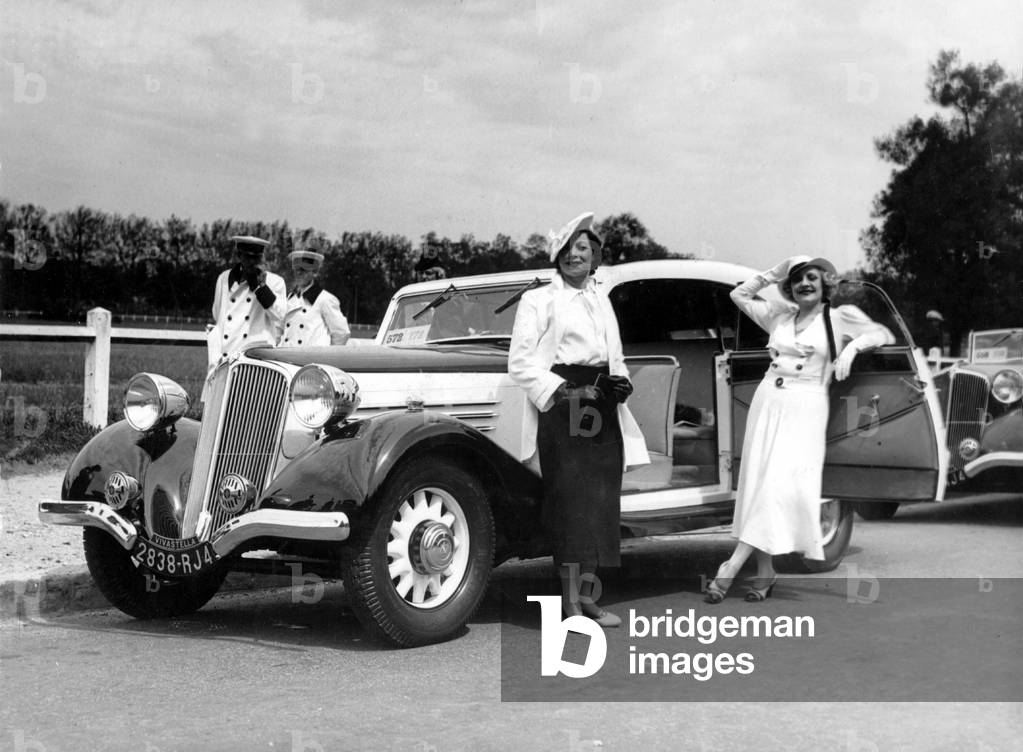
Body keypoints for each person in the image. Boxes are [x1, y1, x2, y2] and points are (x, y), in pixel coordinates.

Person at [706, 255, 894, 603]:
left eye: (811, 277)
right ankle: (764, 574)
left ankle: (730, 567)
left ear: (825, 284)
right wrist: (776, 270)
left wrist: (851, 349)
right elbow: (740, 296)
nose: (804, 284)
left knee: (777, 485)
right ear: (789, 287)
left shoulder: (838, 318)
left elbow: (881, 333)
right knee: (761, 483)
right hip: (769, 400)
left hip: (806, 405)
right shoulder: (780, 315)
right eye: (796, 279)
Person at [508, 212, 649, 628]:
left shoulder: (600, 299)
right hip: (564, 406)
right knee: (571, 505)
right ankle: (569, 605)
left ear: (595, 257)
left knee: (601, 505)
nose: (575, 256)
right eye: (568, 249)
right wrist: (565, 391)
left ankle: (589, 599)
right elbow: (520, 363)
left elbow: (615, 356)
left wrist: (621, 385)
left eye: (583, 249)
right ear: (557, 256)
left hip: (602, 404)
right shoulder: (538, 300)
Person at [208, 235, 288, 369]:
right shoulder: (224, 278)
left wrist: (261, 288)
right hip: (227, 356)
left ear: (262, 257)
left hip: (255, 358)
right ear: (239, 255)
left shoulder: (275, 282)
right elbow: (217, 314)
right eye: (247, 256)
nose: (252, 261)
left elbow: (280, 315)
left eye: (256, 257)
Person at [282, 249, 350, 346]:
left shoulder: (325, 299)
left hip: (312, 359)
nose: (299, 273)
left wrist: (325, 356)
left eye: (303, 270)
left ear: (315, 272)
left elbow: (341, 333)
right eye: (296, 269)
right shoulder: (290, 297)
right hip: (288, 357)